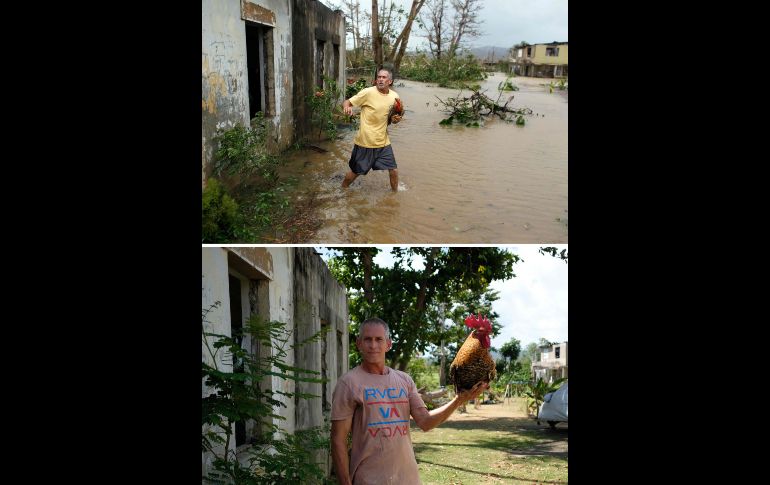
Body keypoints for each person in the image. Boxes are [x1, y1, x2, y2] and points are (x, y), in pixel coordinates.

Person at [331, 317, 488, 485]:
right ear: (358, 343)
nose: (373, 345)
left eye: (379, 339)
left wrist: (458, 400)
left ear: (388, 344)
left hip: (408, 478)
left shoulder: (404, 380)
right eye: (367, 339)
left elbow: (425, 422)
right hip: (369, 479)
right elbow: (337, 440)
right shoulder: (348, 384)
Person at [341, 68, 404, 192]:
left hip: (383, 141)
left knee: (394, 170)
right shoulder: (367, 93)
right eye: (379, 77)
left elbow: (396, 115)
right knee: (356, 172)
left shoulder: (394, 97)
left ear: (390, 81)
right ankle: (343, 190)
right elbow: (347, 102)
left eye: (384, 77)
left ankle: (394, 196)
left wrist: (397, 119)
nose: (380, 79)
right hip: (366, 141)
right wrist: (347, 108)